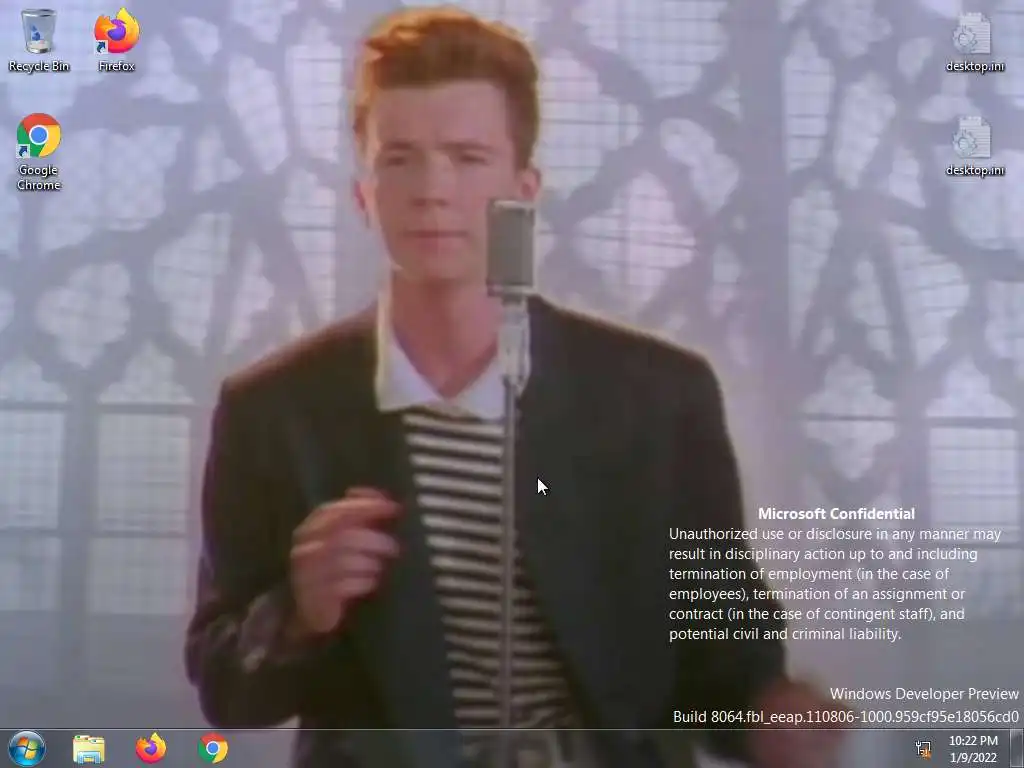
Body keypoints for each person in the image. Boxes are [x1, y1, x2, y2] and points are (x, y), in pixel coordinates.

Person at [184, 6, 846, 768]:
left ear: (524, 191)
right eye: (400, 159)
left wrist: (771, 719)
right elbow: (223, 686)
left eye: (467, 158)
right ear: (365, 194)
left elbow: (726, 665)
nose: (432, 190)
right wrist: (298, 613)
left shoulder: (660, 399)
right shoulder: (274, 411)